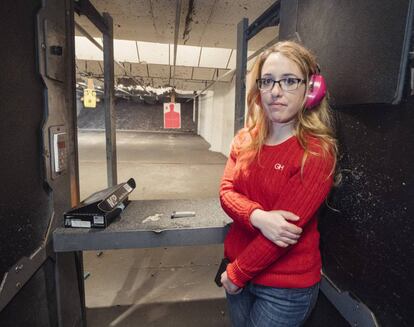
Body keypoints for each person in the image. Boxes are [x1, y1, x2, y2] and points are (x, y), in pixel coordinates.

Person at [219, 40, 338, 327]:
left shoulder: (316, 152)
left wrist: (235, 276)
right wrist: (257, 217)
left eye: (289, 81)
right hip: (237, 269)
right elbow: (225, 192)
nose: (275, 91)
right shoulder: (244, 138)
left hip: (285, 289)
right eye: (268, 81)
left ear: (311, 89)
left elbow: (282, 236)